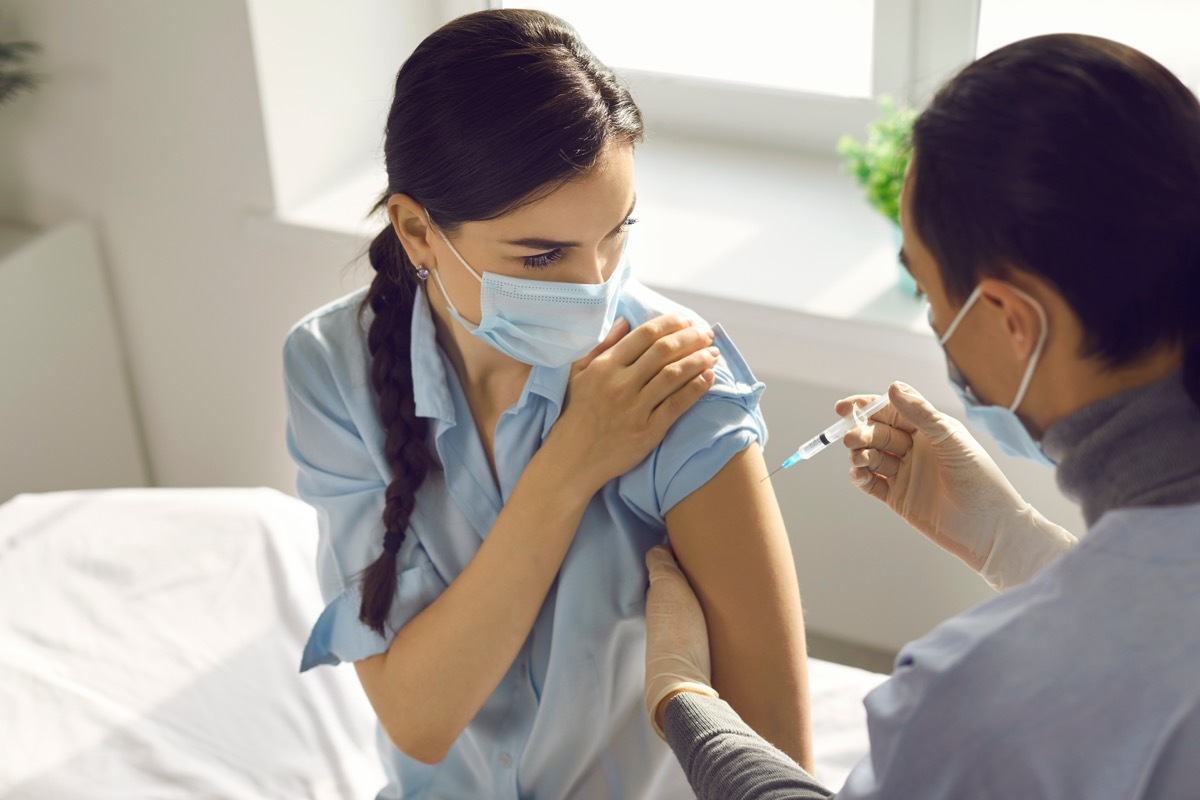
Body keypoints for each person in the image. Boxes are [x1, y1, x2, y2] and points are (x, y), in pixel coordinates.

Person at [643, 33, 1200, 798]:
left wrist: (685, 702)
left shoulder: (980, 693)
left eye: (932, 295)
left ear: (1011, 318)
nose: (938, 324)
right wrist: (1015, 543)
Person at [282, 9, 811, 798]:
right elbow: (418, 721)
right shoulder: (332, 368)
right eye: (542, 255)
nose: (594, 285)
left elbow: (776, 767)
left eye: (616, 233)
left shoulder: (678, 383)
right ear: (418, 232)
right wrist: (571, 466)